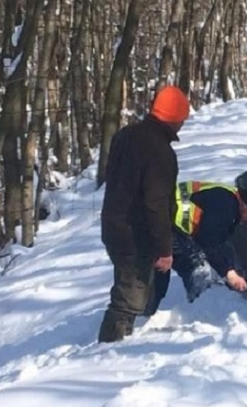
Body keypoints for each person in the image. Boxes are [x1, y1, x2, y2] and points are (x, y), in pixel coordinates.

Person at [98, 85, 190, 343]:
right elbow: (156, 203)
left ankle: (122, 340)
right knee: (127, 301)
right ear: (175, 118)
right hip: (136, 236)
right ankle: (105, 354)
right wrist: (164, 248)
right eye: (183, 118)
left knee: (137, 293)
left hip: (113, 226)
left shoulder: (125, 136)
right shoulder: (160, 152)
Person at [141, 179, 247, 317]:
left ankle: (144, 312)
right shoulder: (225, 205)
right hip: (161, 223)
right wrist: (229, 273)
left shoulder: (228, 198)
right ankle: (203, 314)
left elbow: (220, 242)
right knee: (196, 267)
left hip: (161, 220)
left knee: (159, 274)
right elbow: (208, 242)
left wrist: (229, 268)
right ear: (246, 205)